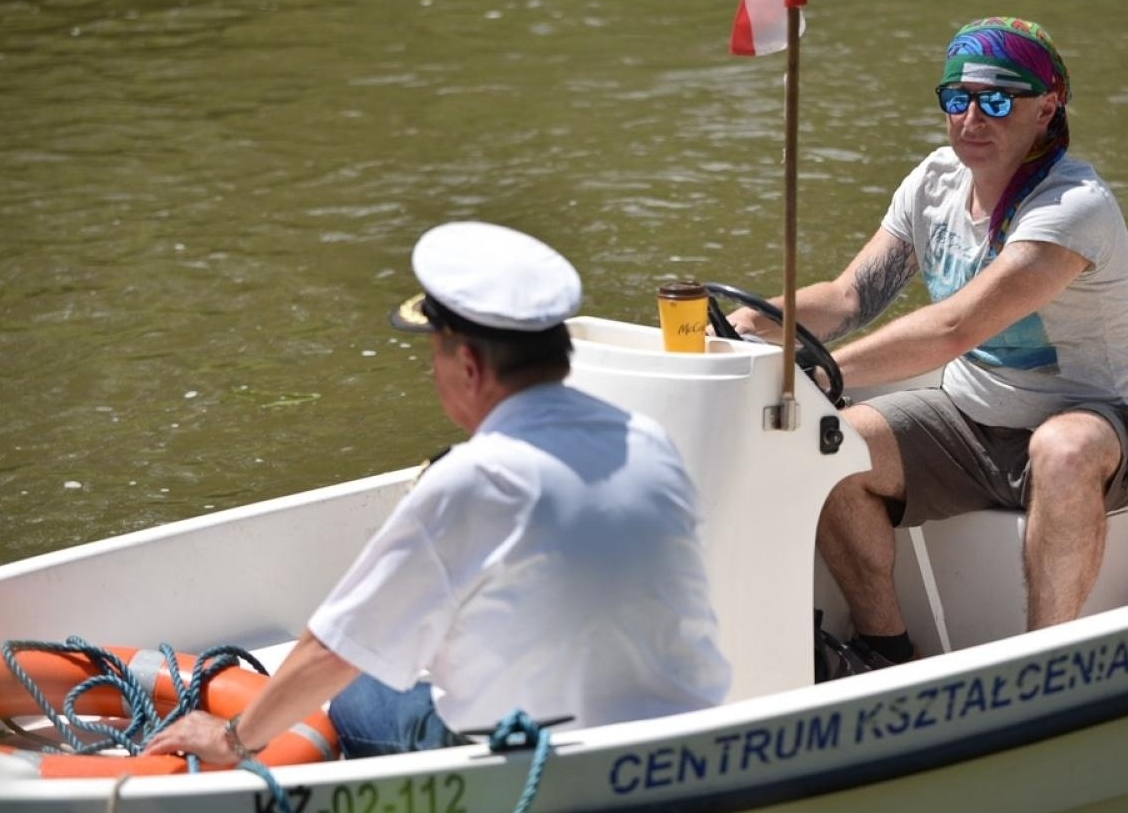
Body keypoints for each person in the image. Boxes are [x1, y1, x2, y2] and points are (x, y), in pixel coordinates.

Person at [147, 221, 731, 763]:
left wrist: (229, 737)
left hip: (538, 765)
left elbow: (334, 651)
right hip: (692, 743)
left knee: (358, 699)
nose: (432, 373)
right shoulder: (647, 438)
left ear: (469, 365)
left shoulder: (476, 478)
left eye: (434, 355)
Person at [728, 17, 1128, 666]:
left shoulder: (1072, 205)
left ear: (1046, 109)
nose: (971, 119)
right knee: (830, 446)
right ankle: (883, 651)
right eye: (957, 99)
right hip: (969, 424)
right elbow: (849, 297)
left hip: (1102, 427)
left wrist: (821, 372)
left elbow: (954, 328)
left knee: (1061, 449)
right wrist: (749, 324)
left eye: (996, 101)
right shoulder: (932, 183)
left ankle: (1045, 666)